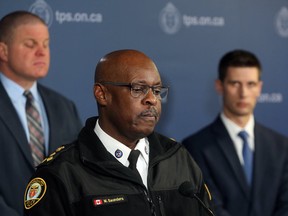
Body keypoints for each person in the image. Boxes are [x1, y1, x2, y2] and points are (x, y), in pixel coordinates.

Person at [23, 49, 213, 216]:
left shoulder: (177, 158)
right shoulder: (62, 174)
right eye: (138, 89)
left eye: (156, 90)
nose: (152, 100)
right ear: (102, 94)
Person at [182, 49, 288, 216]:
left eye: (250, 84)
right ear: (220, 86)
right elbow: (210, 207)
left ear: (260, 88)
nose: (243, 93)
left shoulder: (281, 146)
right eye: (235, 83)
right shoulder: (195, 147)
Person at [0, 11, 82, 216]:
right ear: (3, 51)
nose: (42, 52)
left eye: (46, 44)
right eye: (30, 44)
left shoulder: (64, 106)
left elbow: (82, 174)